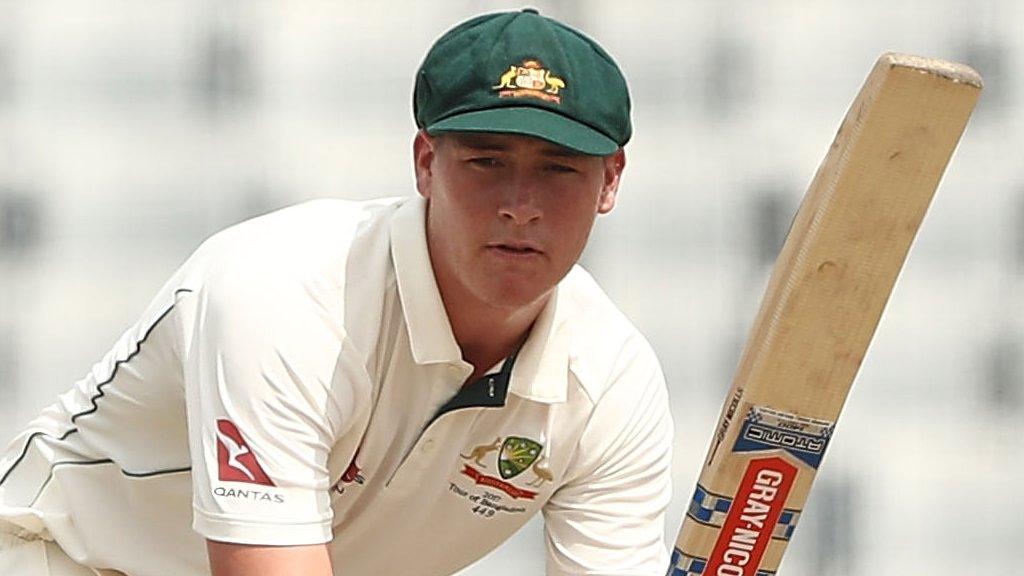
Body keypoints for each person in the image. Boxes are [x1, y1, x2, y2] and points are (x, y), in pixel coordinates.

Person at [0, 9, 673, 576]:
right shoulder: (282, 291)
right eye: (487, 161)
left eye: (559, 169)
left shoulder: (612, 381)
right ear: (425, 164)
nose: (521, 206)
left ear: (611, 181)